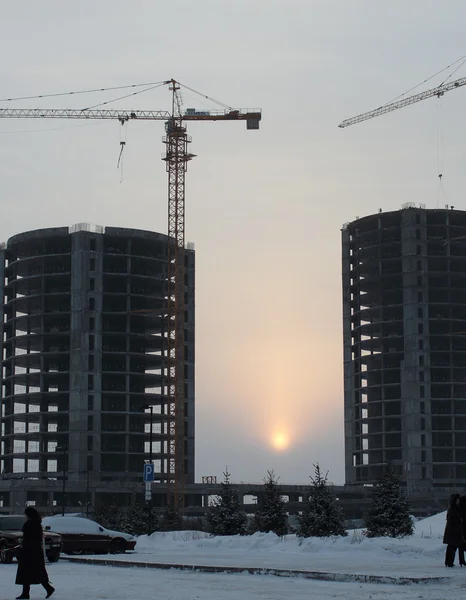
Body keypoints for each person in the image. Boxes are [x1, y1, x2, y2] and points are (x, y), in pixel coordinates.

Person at [15, 506, 55, 599]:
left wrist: (23, 546)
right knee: (37, 571)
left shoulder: (29, 524)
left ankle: (26, 593)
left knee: (26, 572)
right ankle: (47, 588)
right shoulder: (37, 524)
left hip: (29, 551)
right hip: (36, 551)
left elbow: (27, 538)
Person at [443, 493, 464, 567]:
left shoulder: (456, 508)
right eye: (457, 499)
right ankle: (449, 562)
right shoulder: (452, 509)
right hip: (452, 531)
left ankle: (451, 562)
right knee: (452, 547)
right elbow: (451, 521)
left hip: (455, 531)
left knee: (455, 547)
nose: (458, 501)